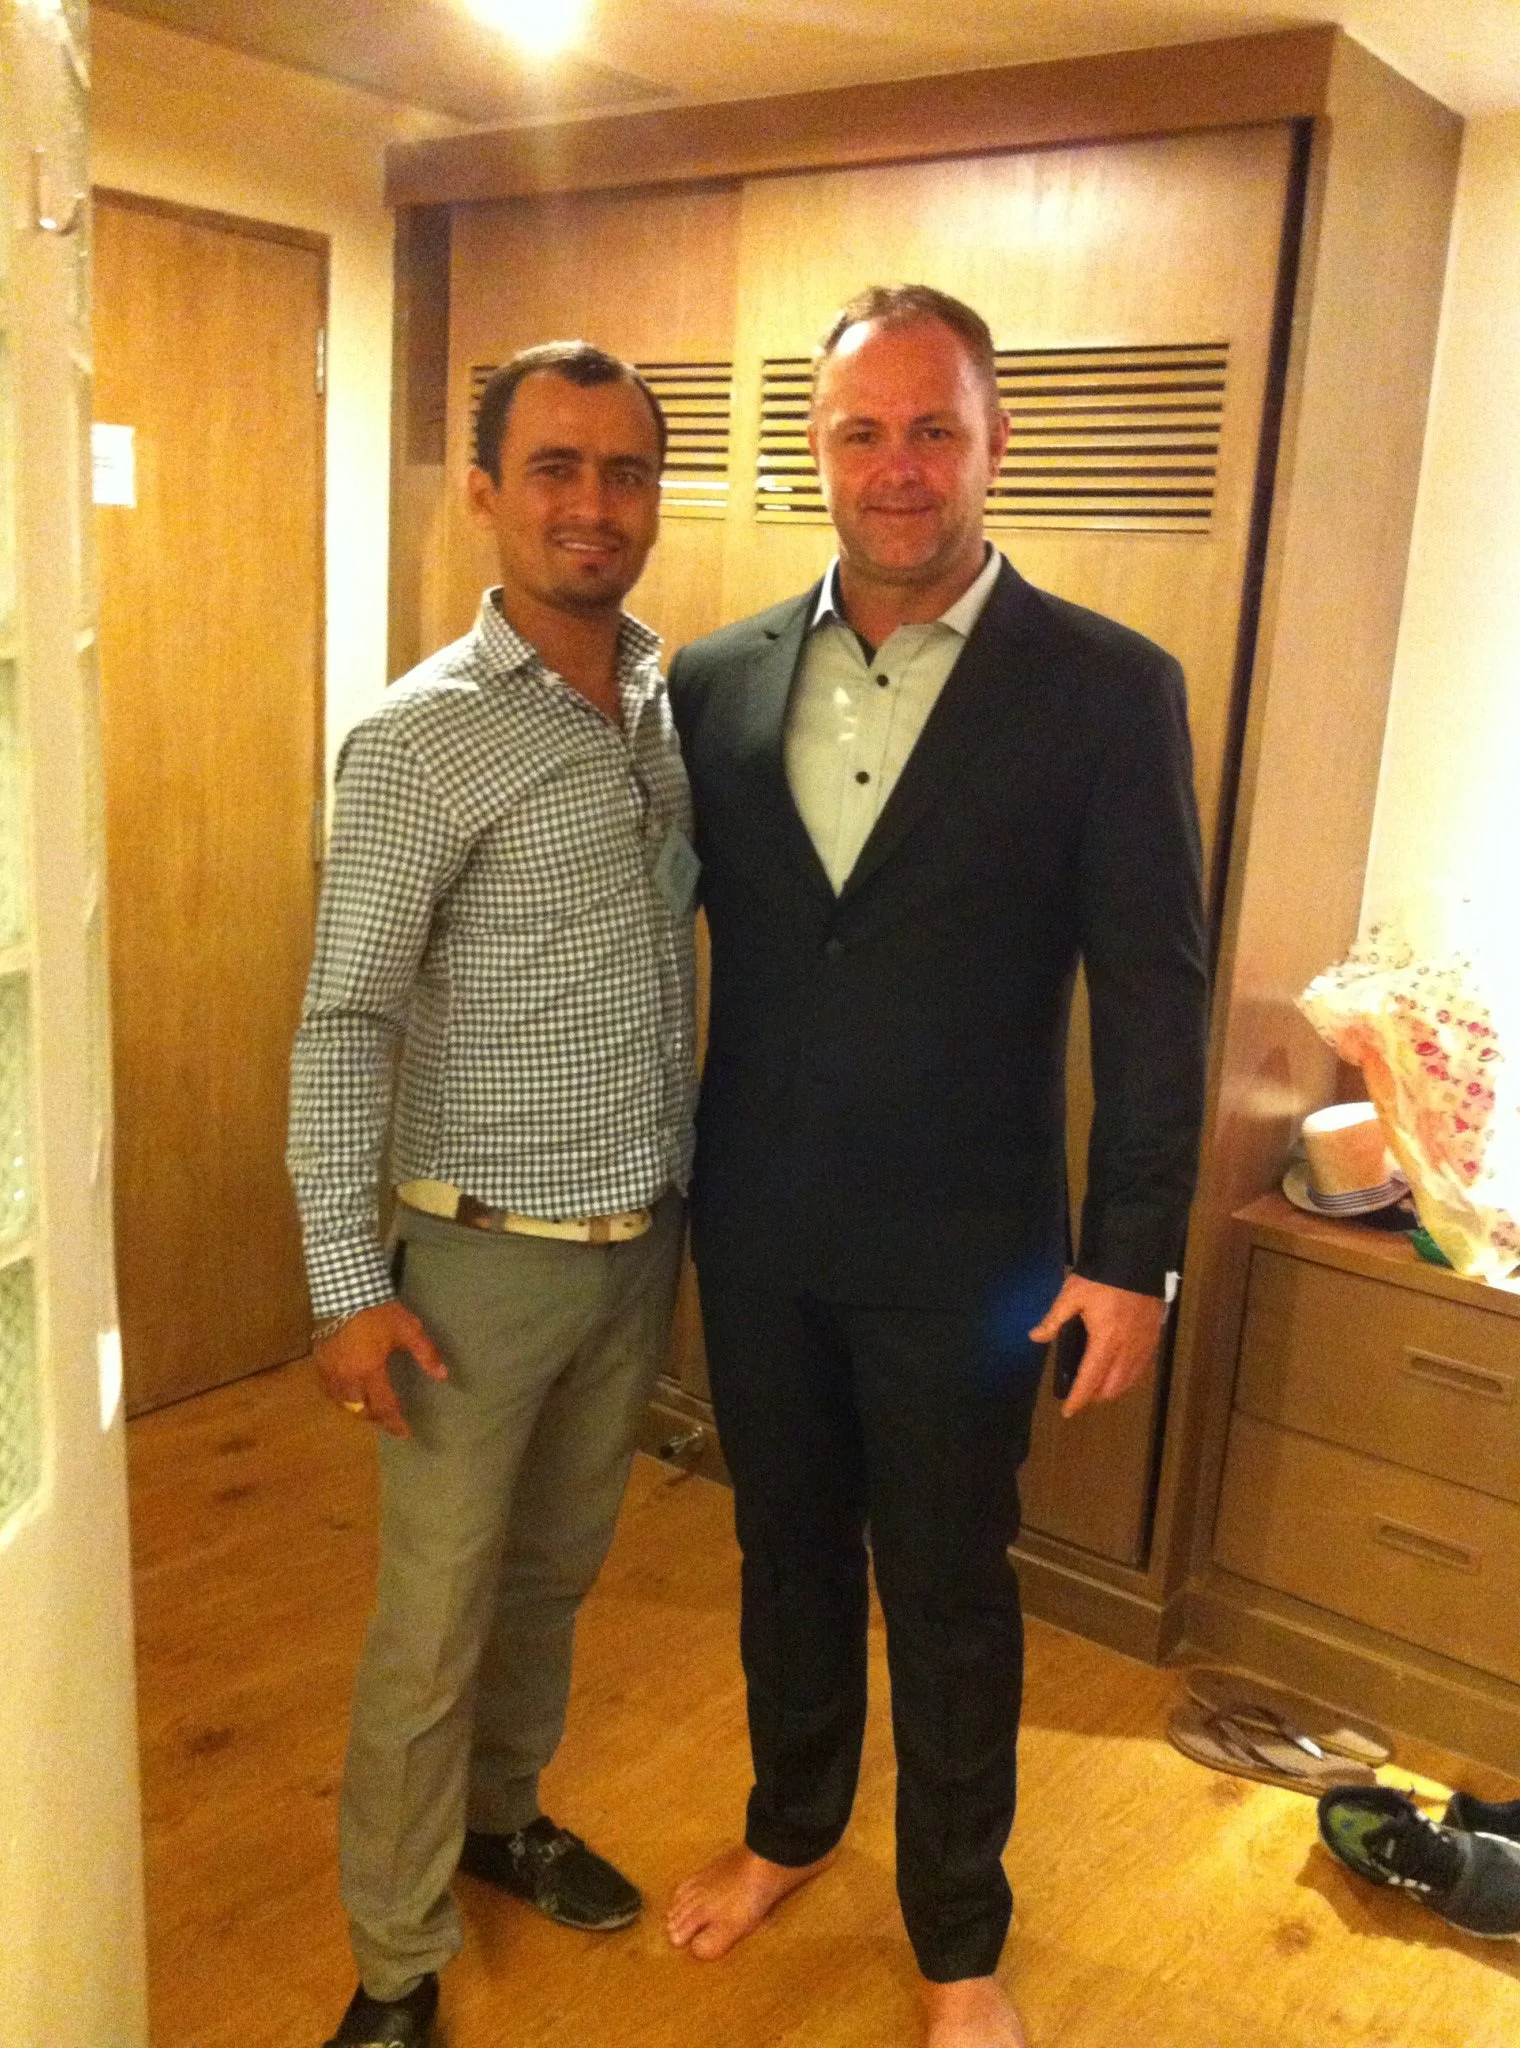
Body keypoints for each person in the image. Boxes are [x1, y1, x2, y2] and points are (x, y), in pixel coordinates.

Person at [663, 286, 1208, 2048]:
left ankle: (959, 1936)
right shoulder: (714, 681)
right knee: (786, 1554)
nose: (896, 468)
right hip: (755, 1225)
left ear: (990, 443)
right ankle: (791, 1827)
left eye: (934, 428)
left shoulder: (1112, 690)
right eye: (861, 430)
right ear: (817, 450)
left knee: (955, 1589)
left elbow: (1154, 988)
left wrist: (1134, 1253)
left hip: (975, 1250)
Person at [287, 342, 696, 2048]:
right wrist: (341, 1283)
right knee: (434, 1624)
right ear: (482, 491)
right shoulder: (418, 737)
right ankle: (394, 1961)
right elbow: (344, 1017)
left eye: (621, 472)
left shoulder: (675, 703)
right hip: (473, 1266)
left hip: (637, 1245)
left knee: (553, 1579)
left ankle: (502, 1817)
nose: (590, 505)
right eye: (553, 468)